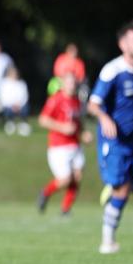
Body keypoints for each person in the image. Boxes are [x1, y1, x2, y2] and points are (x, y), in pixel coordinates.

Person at [87, 20, 133, 254]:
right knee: (121, 191)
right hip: (115, 143)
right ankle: (107, 241)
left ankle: (122, 185)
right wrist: (104, 118)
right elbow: (92, 104)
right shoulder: (113, 71)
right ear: (122, 44)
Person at [37, 73, 91, 215]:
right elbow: (43, 120)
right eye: (69, 82)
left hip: (75, 144)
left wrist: (83, 133)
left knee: (77, 177)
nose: (72, 85)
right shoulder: (56, 99)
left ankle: (66, 209)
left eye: (74, 83)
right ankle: (46, 192)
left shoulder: (77, 101)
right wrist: (62, 127)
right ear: (63, 84)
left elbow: (79, 123)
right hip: (58, 146)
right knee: (65, 180)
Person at [0, 66, 30, 136]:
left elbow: (24, 97)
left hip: (20, 105)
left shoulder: (21, 83)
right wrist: (12, 105)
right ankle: (10, 123)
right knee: (7, 109)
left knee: (25, 108)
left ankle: (23, 125)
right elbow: (3, 98)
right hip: (8, 106)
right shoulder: (4, 84)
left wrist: (19, 104)